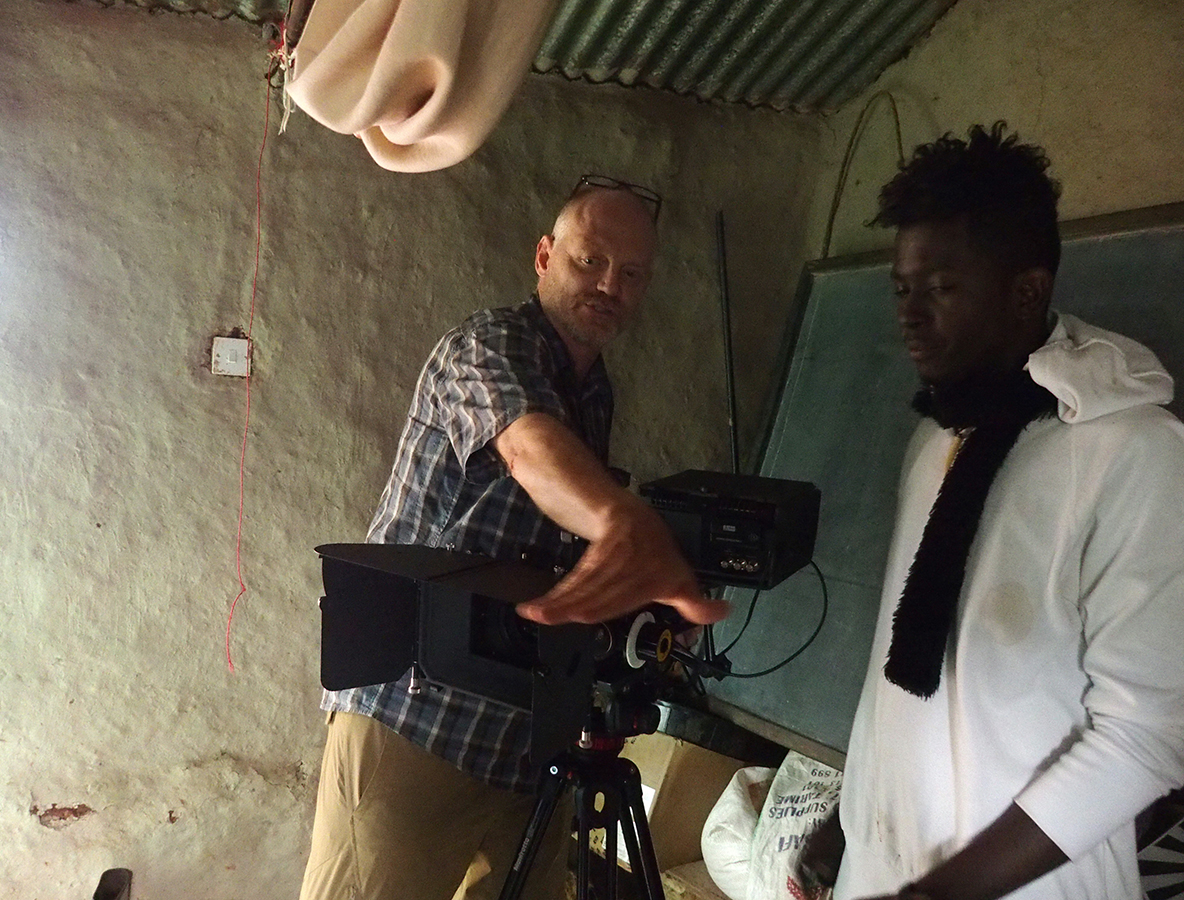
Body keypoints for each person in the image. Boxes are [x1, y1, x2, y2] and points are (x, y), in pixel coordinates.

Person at [297, 176, 729, 900]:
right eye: (590, 261)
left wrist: (638, 600)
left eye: (631, 274)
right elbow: (529, 450)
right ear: (545, 256)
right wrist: (627, 527)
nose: (609, 285)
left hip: (527, 743)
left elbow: (553, 540)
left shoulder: (596, 392)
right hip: (417, 723)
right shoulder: (487, 345)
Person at [802, 124, 1184, 900]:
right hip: (886, 870)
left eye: (940, 288)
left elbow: (1146, 736)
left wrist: (943, 892)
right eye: (901, 289)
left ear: (1027, 291)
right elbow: (903, 670)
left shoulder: (1131, 453)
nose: (910, 316)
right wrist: (853, 819)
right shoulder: (936, 438)